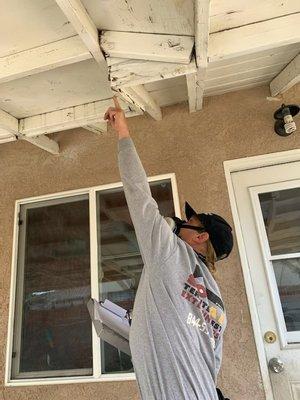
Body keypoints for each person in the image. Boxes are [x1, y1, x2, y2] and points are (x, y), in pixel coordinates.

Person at [104, 97, 233, 400]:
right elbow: (209, 363)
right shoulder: (218, 305)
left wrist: (123, 132)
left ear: (201, 237)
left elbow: (138, 193)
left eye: (190, 221)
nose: (182, 222)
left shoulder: (170, 252)